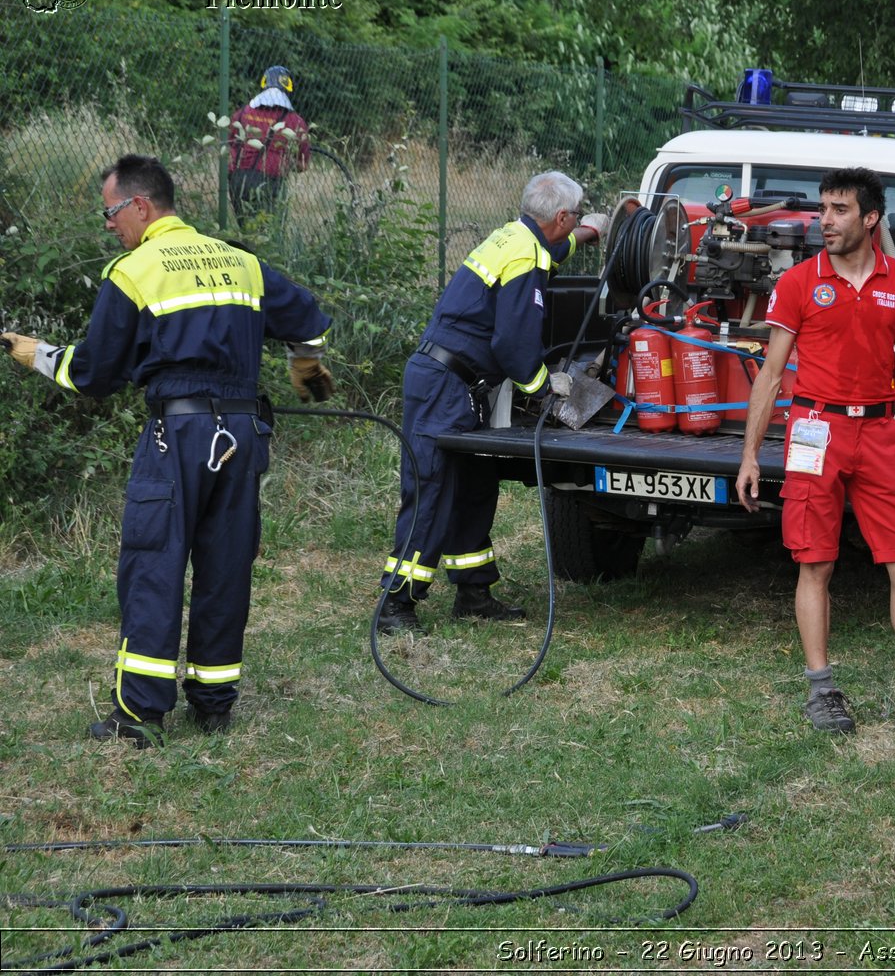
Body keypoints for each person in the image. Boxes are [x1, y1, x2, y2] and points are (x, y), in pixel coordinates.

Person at [1, 154, 335, 748]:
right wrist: (304, 365)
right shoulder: (241, 262)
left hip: (176, 436)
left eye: (111, 211)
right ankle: (213, 705)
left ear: (141, 205)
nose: (108, 224)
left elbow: (95, 372)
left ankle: (139, 717)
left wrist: (36, 354)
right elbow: (307, 318)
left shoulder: (135, 271)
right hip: (242, 437)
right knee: (225, 563)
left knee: (154, 563)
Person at [735, 167, 895, 737]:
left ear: (870, 218)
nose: (825, 221)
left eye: (838, 210)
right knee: (817, 561)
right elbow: (770, 376)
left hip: (880, 435)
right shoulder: (799, 282)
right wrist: (748, 456)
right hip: (814, 430)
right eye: (823, 209)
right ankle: (822, 690)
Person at [376, 171, 608, 632]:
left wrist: (590, 232)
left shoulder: (517, 235)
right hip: (444, 384)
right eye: (577, 216)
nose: (576, 221)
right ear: (559, 216)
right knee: (433, 489)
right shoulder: (525, 257)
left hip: (459, 385)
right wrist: (543, 387)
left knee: (475, 483)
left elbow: (555, 247)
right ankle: (396, 605)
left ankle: (473, 592)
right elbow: (513, 345)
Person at [228, 66, 311, 221]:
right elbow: (303, 164)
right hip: (271, 182)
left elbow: (230, 143)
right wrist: (287, 161)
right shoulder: (296, 121)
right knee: (269, 231)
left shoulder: (242, 113)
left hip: (238, 180)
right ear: (287, 88)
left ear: (264, 84)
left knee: (246, 229)